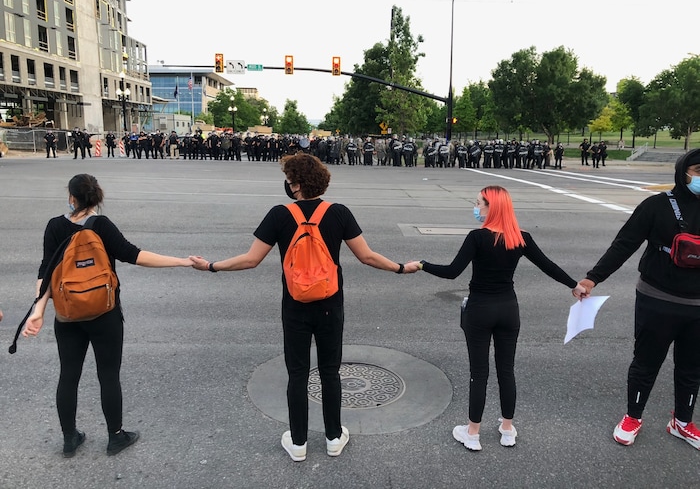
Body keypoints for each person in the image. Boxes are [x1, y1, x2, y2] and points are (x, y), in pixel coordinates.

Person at [190, 153, 411, 462]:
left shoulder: (279, 215)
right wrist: (401, 268)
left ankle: (298, 443)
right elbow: (368, 256)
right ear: (320, 181)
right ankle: (334, 437)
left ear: (294, 185)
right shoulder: (338, 212)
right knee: (330, 370)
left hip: (294, 305)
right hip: (330, 304)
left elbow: (250, 259)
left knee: (297, 373)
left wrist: (211, 266)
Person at [22, 174, 193, 458]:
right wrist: (183, 261)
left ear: (72, 198)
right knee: (108, 375)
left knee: (69, 375)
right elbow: (134, 254)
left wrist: (38, 311)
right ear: (96, 198)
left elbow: (46, 273)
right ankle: (115, 437)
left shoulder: (54, 226)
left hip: (67, 315)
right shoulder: (100, 225)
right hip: (105, 313)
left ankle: (69, 438)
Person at [407, 186, 586, 451]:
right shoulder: (520, 237)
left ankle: (473, 432)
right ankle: (507, 428)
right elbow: (548, 265)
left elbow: (452, 272)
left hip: (480, 309)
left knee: (479, 372)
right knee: (506, 370)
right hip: (508, 309)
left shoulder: (477, 238)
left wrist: (422, 264)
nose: (475, 206)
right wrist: (574, 285)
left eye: (479, 202)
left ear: (493, 207)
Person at [577, 149, 700, 450]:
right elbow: (624, 244)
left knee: (692, 367)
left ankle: (682, 422)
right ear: (683, 171)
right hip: (657, 298)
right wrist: (592, 278)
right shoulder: (656, 206)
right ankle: (633, 416)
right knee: (646, 363)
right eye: (698, 170)